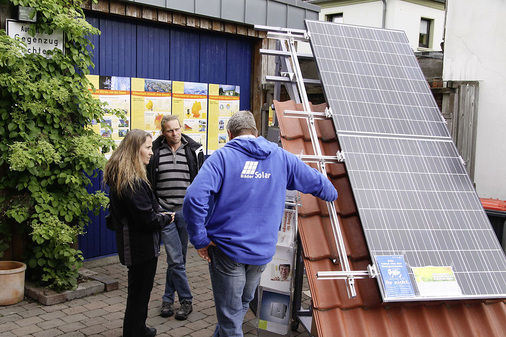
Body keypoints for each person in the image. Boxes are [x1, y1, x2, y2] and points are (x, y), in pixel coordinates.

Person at [183, 110, 338, 336]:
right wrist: (334, 194)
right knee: (238, 310)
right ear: (256, 132)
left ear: (229, 134)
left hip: (227, 251)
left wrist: (199, 240)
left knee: (230, 318)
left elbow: (193, 198)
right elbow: (316, 182)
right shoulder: (281, 157)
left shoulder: (222, 158)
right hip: (262, 252)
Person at [103, 129, 173, 337]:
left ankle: (140, 328)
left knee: (142, 292)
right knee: (139, 294)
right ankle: (133, 332)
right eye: (148, 147)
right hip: (139, 248)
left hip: (137, 245)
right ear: (135, 150)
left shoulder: (127, 177)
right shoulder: (131, 182)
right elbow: (147, 219)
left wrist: (158, 213)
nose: (152, 152)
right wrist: (167, 217)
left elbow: (144, 211)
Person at [147, 114, 205, 320]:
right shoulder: (154, 151)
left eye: (178, 129)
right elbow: (149, 182)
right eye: (170, 130)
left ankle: (167, 299)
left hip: (184, 212)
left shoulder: (193, 149)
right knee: (175, 258)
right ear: (163, 132)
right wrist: (156, 208)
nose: (175, 134)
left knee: (177, 260)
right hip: (164, 213)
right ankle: (186, 300)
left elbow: (199, 181)